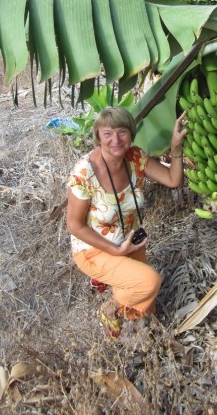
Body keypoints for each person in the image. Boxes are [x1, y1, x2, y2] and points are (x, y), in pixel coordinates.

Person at [66, 106, 187, 339]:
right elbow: (74, 224)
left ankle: (136, 341)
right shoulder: (84, 173)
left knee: (145, 307)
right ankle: (109, 308)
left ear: (131, 134)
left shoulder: (136, 158)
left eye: (122, 132)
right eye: (107, 133)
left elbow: (173, 180)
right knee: (149, 282)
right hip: (94, 249)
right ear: (98, 136)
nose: (115, 140)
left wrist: (175, 147)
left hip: (128, 240)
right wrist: (114, 250)